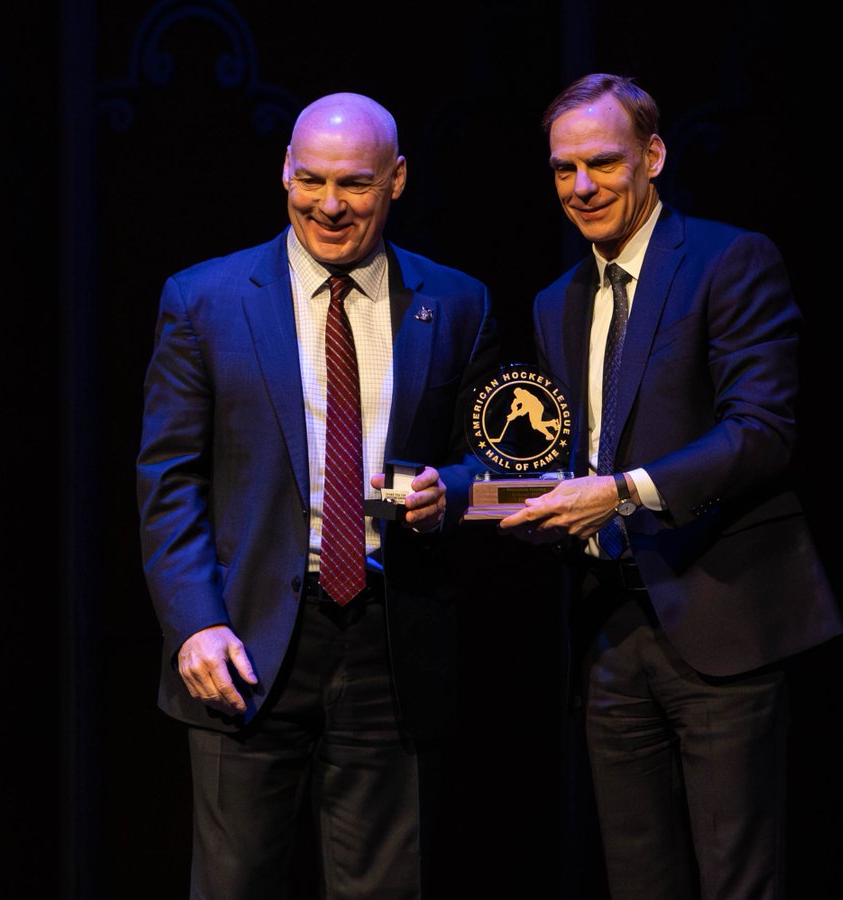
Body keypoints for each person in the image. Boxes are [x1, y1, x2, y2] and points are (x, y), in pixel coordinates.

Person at [136, 91, 499, 899]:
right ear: (285, 173)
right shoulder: (204, 299)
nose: (329, 206)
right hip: (246, 644)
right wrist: (195, 622)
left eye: (356, 185)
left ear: (396, 181)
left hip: (390, 640)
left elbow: (489, 456)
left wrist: (458, 491)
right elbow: (168, 479)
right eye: (311, 181)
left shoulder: (458, 302)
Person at [500, 73, 843, 899]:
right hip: (608, 632)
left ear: (653, 156)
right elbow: (568, 450)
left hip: (720, 619)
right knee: (637, 881)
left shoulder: (730, 260)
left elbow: (762, 431)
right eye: (562, 169)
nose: (581, 187)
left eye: (603, 163)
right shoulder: (557, 303)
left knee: (739, 881)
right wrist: (498, 498)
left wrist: (622, 491)